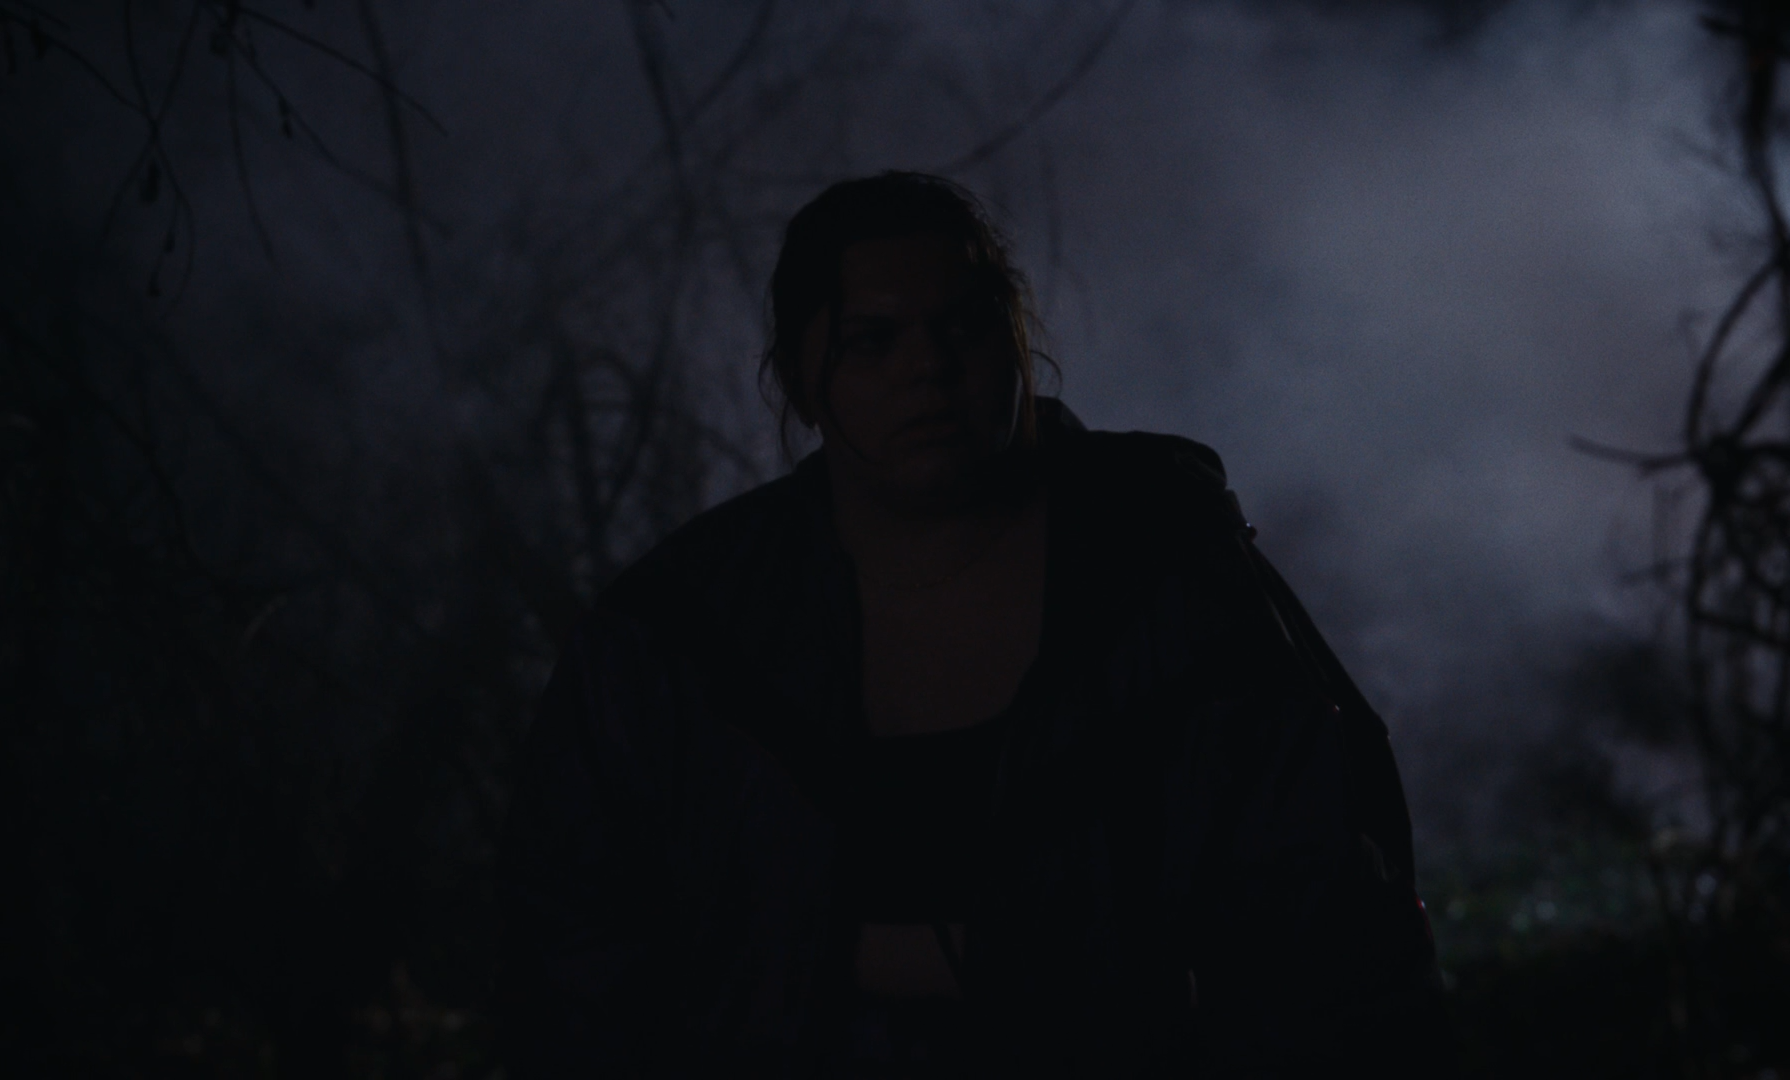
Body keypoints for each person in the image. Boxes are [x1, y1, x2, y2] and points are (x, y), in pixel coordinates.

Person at [497, 172, 1455, 1077]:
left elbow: (1325, 907)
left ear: (1015, 339)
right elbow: (574, 944)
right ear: (798, 378)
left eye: (965, 324)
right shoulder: (683, 630)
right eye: (874, 339)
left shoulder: (1163, 566)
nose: (929, 367)